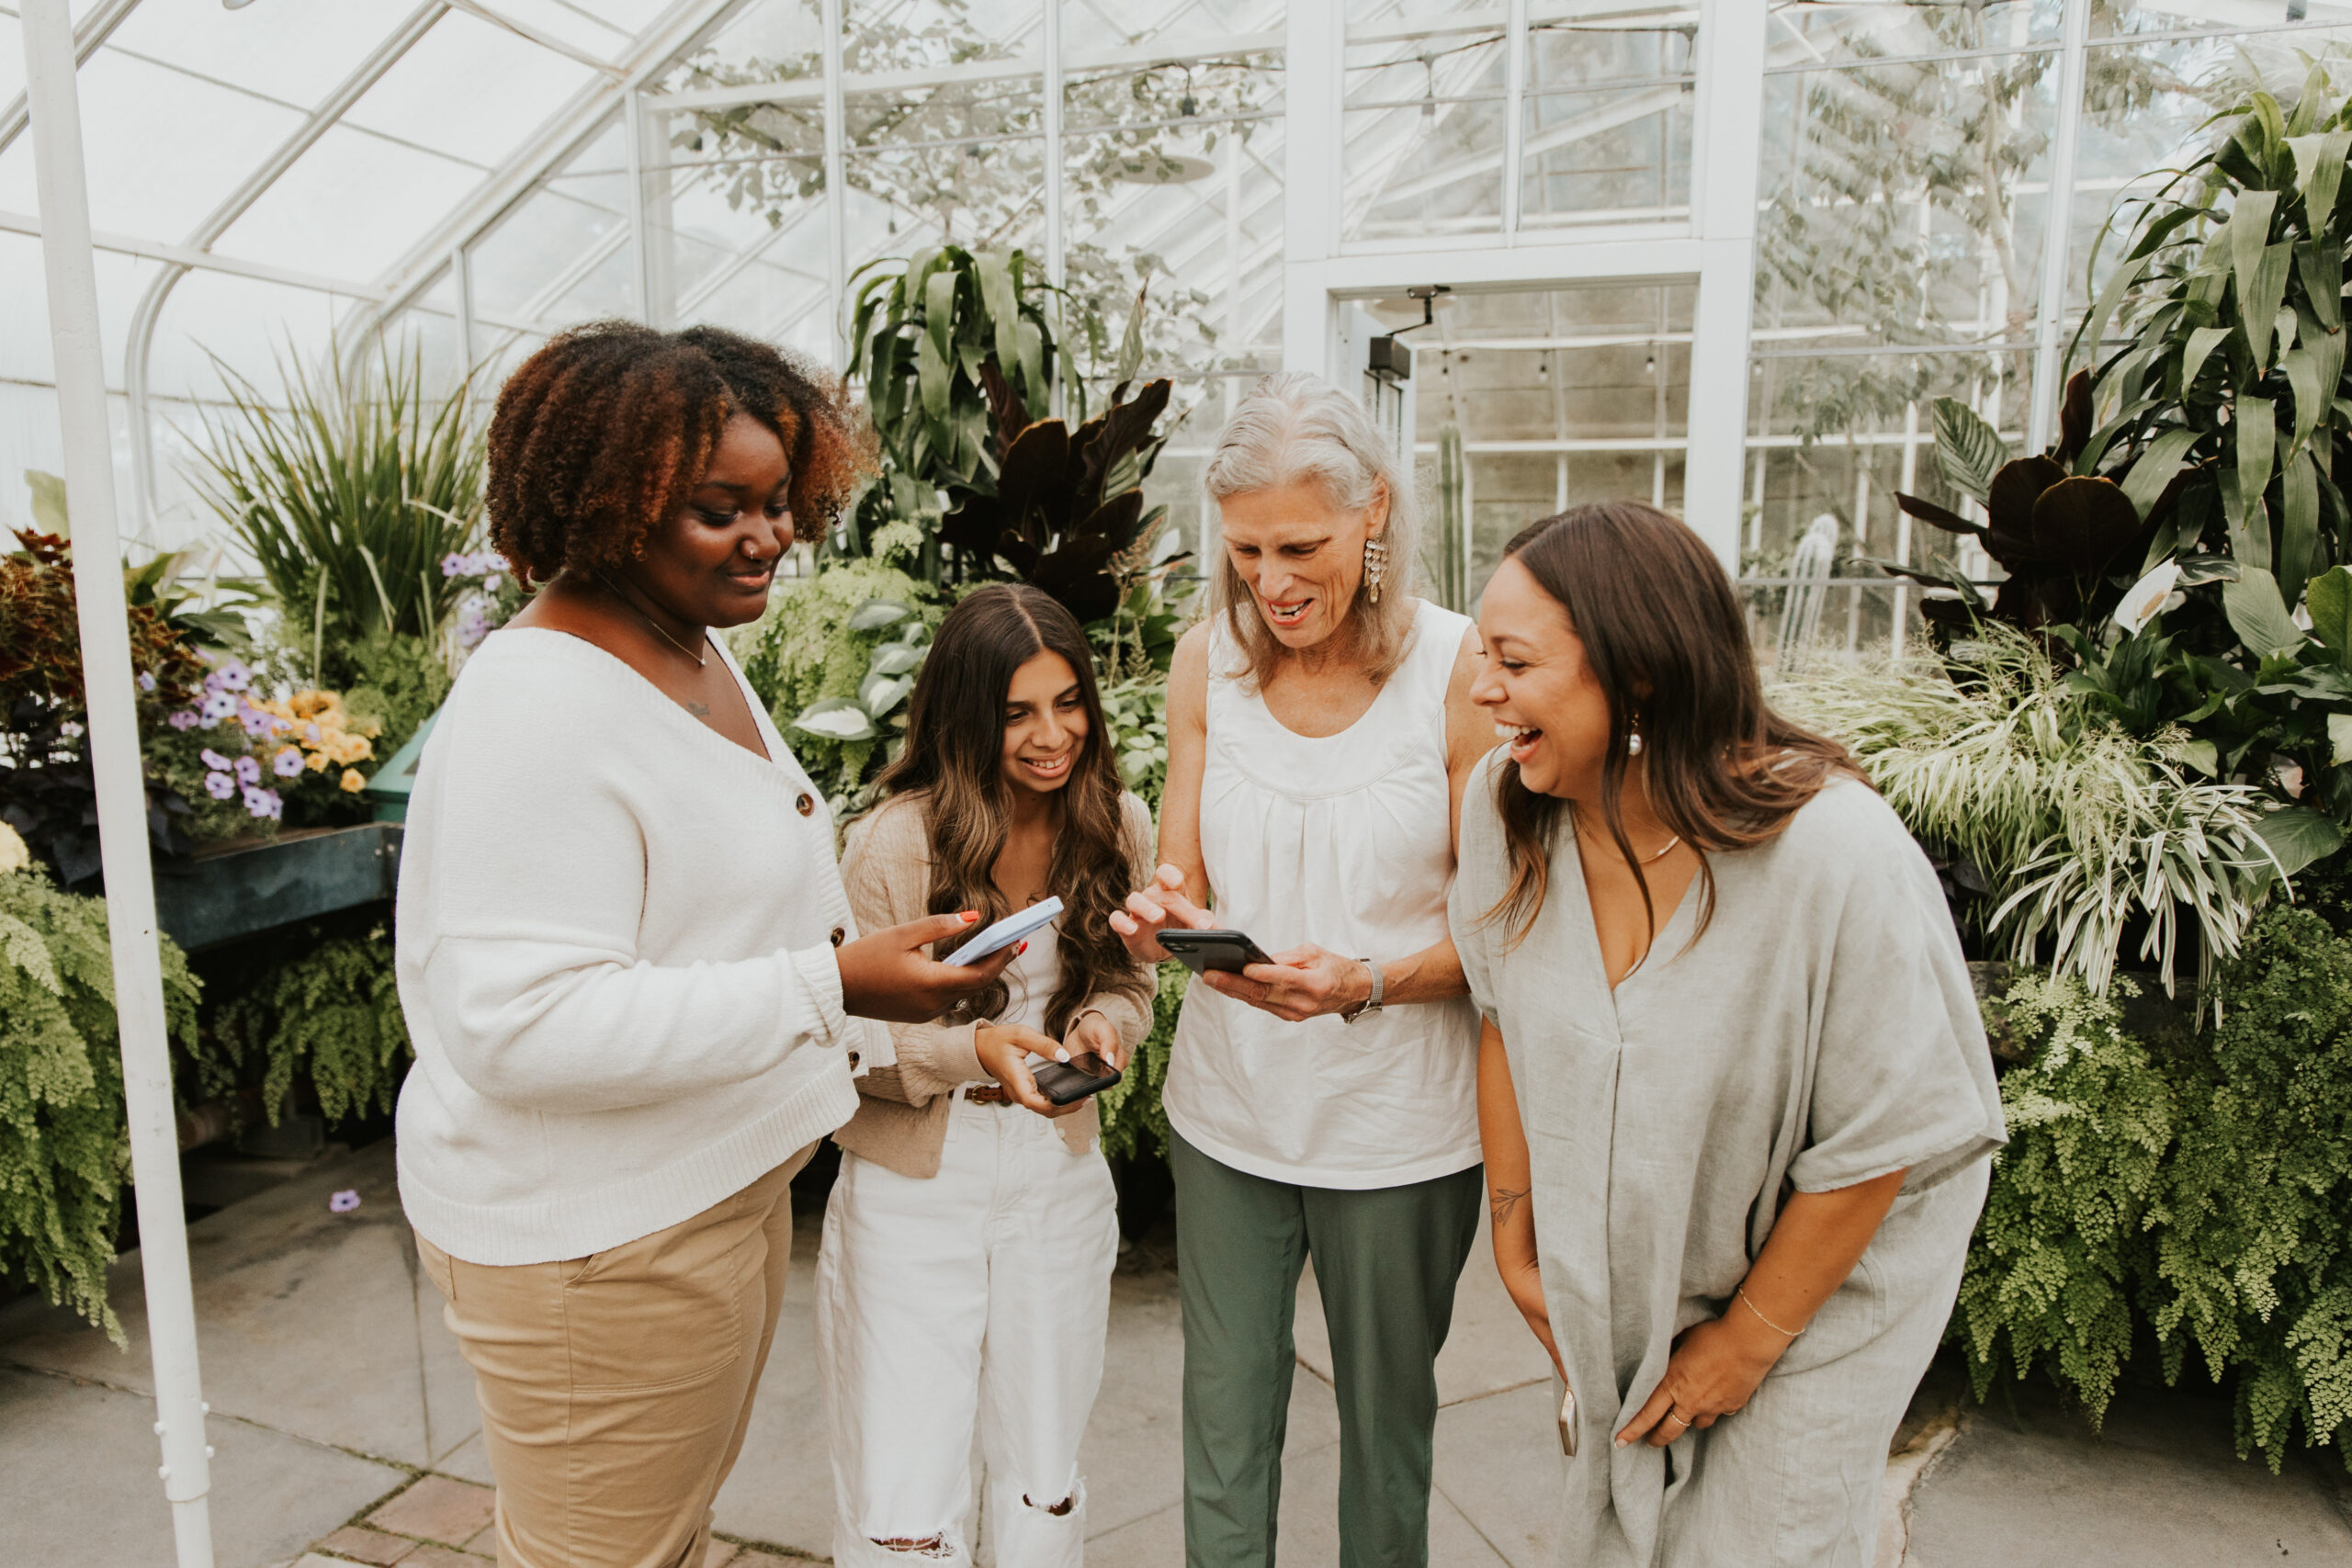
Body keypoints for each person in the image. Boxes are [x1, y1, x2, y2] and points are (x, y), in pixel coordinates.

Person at [395, 321, 1021, 1568]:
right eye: (716, 507)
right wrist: (832, 979)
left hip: (698, 1201)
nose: (768, 536)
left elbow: (712, 914)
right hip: (600, 1250)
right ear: (603, 507)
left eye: (782, 501)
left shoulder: (686, 640)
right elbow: (517, 1024)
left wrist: (874, 979)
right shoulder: (538, 706)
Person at [1451, 501, 2007, 1567]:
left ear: (1640, 675)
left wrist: (1744, 1347)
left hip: (1826, 1281)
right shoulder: (1506, 809)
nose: (1480, 691)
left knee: (1760, 1538)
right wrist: (1517, 1237)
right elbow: (1498, 1018)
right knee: (1620, 1523)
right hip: (1644, 1258)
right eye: (1482, 654)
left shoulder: (1834, 853)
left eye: (1513, 661)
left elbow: (1882, 1139)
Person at [1110, 373, 1491, 1568]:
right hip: (1231, 1111)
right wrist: (1158, 915)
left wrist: (1362, 982)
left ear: (1373, 509)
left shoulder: (1463, 668)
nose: (1271, 581)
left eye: (1301, 546)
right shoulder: (1205, 665)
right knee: (1225, 1423)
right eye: (1247, 549)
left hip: (1401, 1129)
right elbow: (1180, 868)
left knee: (1388, 1429)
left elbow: (1507, 930)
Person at [816, 583, 1157, 1566]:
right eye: (1016, 713)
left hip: (1055, 1172)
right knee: (903, 1486)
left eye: (1067, 702)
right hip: (916, 1188)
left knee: (1043, 1475)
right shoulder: (894, 842)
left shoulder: (1111, 821)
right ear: (967, 717)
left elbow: (1128, 984)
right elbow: (840, 1034)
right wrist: (971, 1052)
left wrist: (1101, 1028)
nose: (1053, 736)